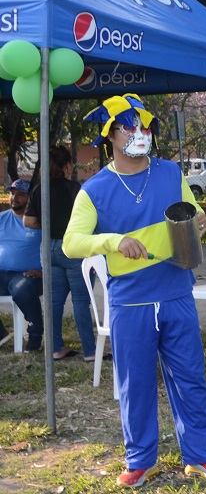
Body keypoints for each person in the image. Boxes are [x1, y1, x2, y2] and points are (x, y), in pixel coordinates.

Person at [63, 93, 206, 488]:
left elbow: (193, 210)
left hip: (176, 293)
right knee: (134, 382)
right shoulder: (95, 189)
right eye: (130, 126)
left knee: (190, 377)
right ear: (111, 135)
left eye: (145, 126)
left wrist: (200, 221)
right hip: (131, 302)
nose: (140, 134)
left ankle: (202, 456)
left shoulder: (171, 172)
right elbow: (72, 242)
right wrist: (111, 241)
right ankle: (140, 459)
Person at [23, 146, 100, 362]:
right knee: (80, 300)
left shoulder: (39, 189)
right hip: (73, 248)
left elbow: (28, 221)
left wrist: (49, 225)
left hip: (49, 249)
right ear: (67, 165)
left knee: (54, 301)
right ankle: (90, 350)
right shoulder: (75, 188)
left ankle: (56, 348)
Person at [0, 179, 43, 351]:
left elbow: (54, 248)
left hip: (28, 276)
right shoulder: (1, 219)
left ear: (30, 198)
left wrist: (44, 271)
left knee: (21, 289)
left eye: (20, 194)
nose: (14, 197)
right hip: (2, 274)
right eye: (12, 193)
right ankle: (1, 333)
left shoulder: (39, 222)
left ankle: (35, 336)